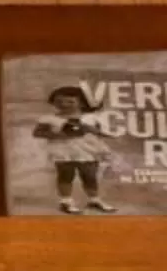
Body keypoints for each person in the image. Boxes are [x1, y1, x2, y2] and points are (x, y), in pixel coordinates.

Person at [30, 82, 116, 214]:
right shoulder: (49, 118)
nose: (64, 104)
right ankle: (66, 201)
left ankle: (94, 199)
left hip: (88, 150)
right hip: (63, 151)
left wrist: (99, 133)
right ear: (53, 102)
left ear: (82, 103)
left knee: (90, 176)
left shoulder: (91, 117)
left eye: (70, 102)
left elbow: (100, 132)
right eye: (59, 101)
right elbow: (37, 133)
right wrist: (59, 135)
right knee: (65, 175)